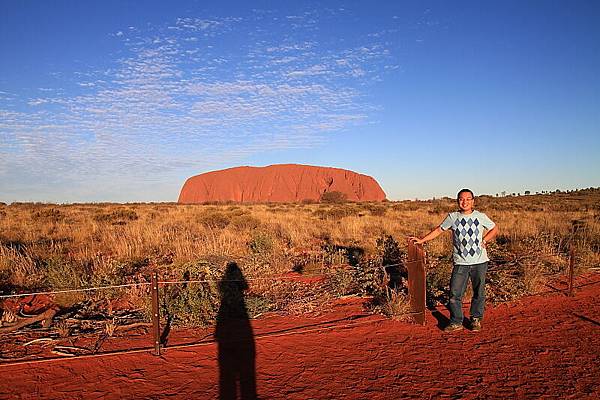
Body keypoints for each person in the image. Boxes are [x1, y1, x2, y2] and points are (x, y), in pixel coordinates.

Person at [410, 189, 498, 332]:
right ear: (458, 201)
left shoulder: (480, 216)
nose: (465, 202)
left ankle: (475, 319)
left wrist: (485, 240)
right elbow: (439, 230)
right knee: (455, 294)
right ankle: (456, 321)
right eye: (462, 199)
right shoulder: (453, 217)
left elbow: (494, 228)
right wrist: (422, 240)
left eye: (468, 199)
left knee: (479, 292)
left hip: (480, 262)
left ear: (473, 201)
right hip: (461, 263)